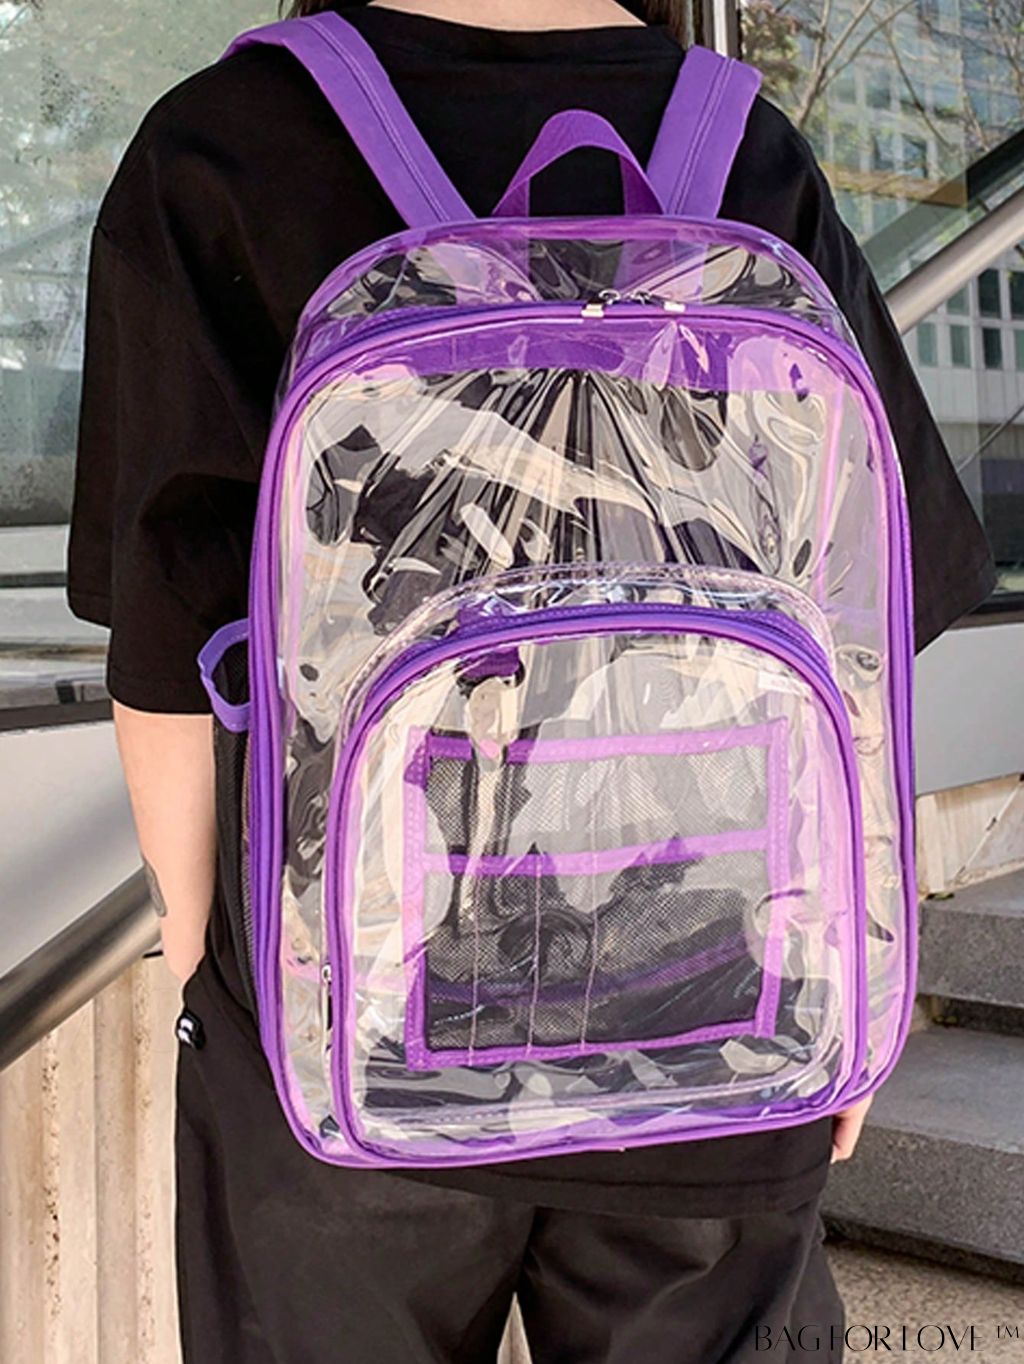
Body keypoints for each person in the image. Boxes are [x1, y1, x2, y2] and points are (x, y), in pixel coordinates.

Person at [67, 2, 995, 1360]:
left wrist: (215, 975)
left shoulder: (223, 145)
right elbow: (862, 631)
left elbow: (166, 643)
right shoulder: (746, 150)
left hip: (361, 1001)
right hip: (720, 980)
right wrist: (858, 981)